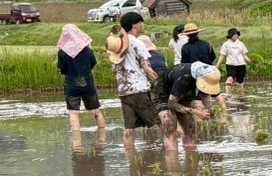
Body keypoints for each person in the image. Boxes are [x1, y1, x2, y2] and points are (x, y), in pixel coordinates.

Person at [111, 12, 162, 150]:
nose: (143, 25)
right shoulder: (137, 42)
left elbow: (114, 69)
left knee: (129, 129)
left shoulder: (118, 43)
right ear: (135, 25)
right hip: (139, 89)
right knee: (162, 123)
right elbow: (147, 68)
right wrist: (160, 84)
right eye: (141, 22)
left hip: (124, 91)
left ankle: (131, 158)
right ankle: (173, 153)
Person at [57, 24, 107, 144]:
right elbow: (93, 64)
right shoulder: (87, 50)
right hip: (88, 84)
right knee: (96, 111)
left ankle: (77, 143)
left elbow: (63, 70)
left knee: (74, 113)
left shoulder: (62, 53)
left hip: (71, 85)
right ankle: (102, 139)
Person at [153, 61, 222, 146]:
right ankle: (171, 153)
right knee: (169, 122)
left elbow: (204, 95)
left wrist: (211, 110)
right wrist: (196, 112)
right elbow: (171, 104)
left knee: (190, 126)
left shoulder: (207, 77)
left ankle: (191, 151)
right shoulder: (184, 77)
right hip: (163, 94)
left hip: (183, 95)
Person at [218, 28, 249, 94]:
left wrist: (249, 61)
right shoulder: (226, 44)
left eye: (236, 34)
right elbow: (222, 55)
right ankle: (228, 93)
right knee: (230, 78)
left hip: (241, 64)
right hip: (230, 64)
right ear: (230, 35)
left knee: (240, 82)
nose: (236, 35)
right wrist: (218, 65)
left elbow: (244, 55)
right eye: (234, 34)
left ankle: (241, 95)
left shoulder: (241, 44)